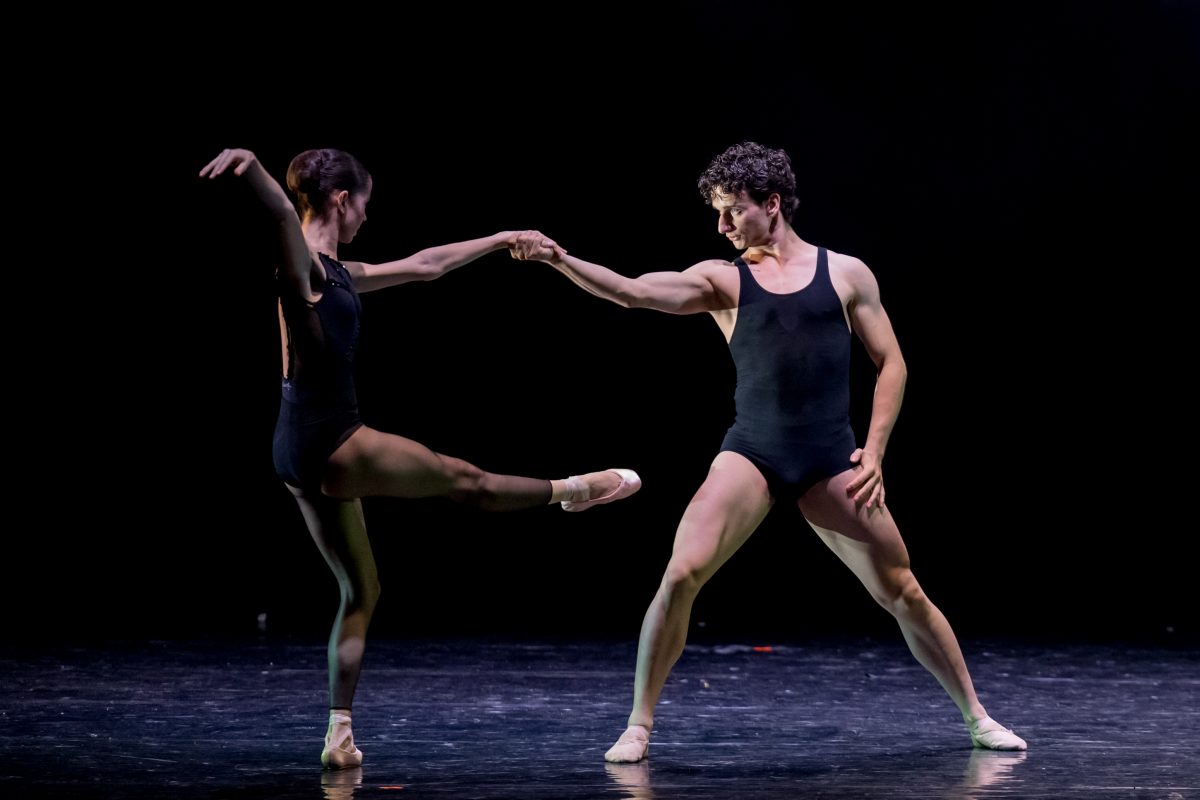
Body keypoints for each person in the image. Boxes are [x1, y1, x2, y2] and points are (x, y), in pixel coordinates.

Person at [510, 140, 1027, 761]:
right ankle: (638, 725)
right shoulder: (723, 280)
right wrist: (560, 258)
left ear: (772, 204)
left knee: (903, 591)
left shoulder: (847, 274)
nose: (722, 225)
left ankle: (978, 717)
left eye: (732, 210)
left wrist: (875, 452)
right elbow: (632, 292)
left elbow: (892, 363)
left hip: (831, 457)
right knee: (680, 574)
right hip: (753, 452)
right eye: (717, 213)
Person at [198, 147, 641, 770]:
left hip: (296, 447)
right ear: (342, 200)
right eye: (365, 205)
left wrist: (500, 239)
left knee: (362, 588)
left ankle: (339, 733)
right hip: (332, 439)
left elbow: (425, 265)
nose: (366, 217)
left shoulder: (339, 270)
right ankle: (574, 490)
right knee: (467, 480)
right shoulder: (303, 265)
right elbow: (280, 215)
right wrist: (252, 167)